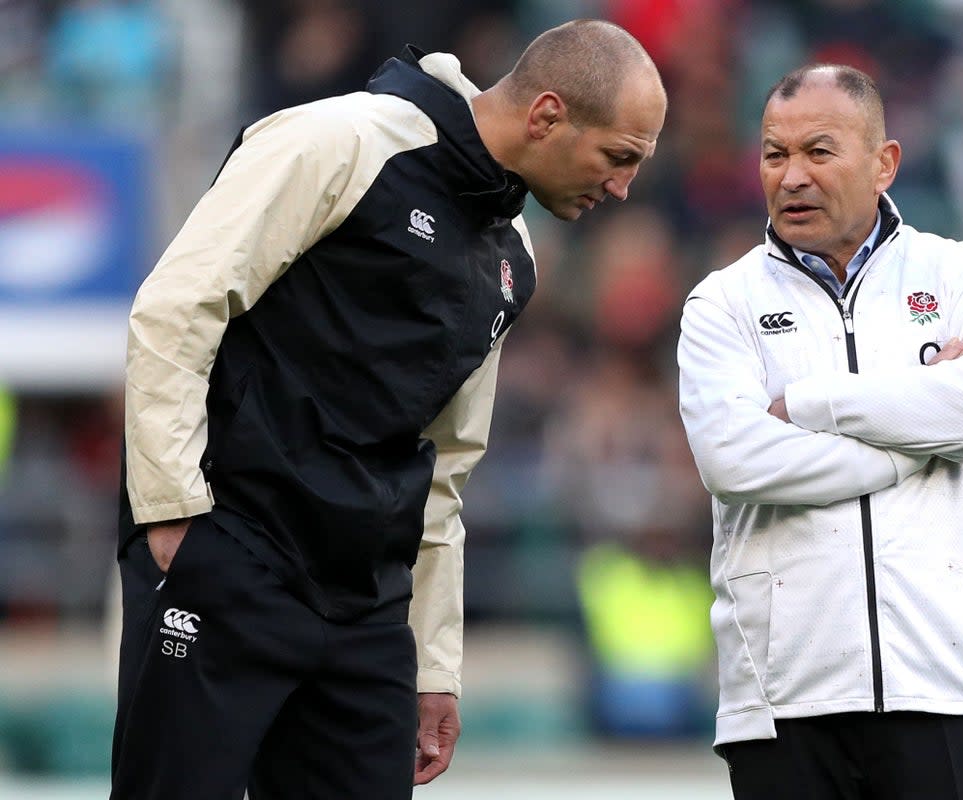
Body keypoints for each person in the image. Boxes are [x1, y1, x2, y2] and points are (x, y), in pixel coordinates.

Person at [112, 19, 665, 800]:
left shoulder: (514, 256)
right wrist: (174, 520)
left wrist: (433, 665)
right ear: (546, 115)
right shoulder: (340, 141)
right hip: (229, 555)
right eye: (619, 158)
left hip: (366, 611)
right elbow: (176, 309)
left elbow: (446, 464)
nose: (623, 189)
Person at [677, 63, 963, 799]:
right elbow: (734, 460)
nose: (792, 176)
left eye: (819, 151)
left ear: (884, 163)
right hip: (784, 704)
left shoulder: (960, 272)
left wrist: (810, 403)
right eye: (775, 154)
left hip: (946, 688)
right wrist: (915, 447)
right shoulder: (722, 303)